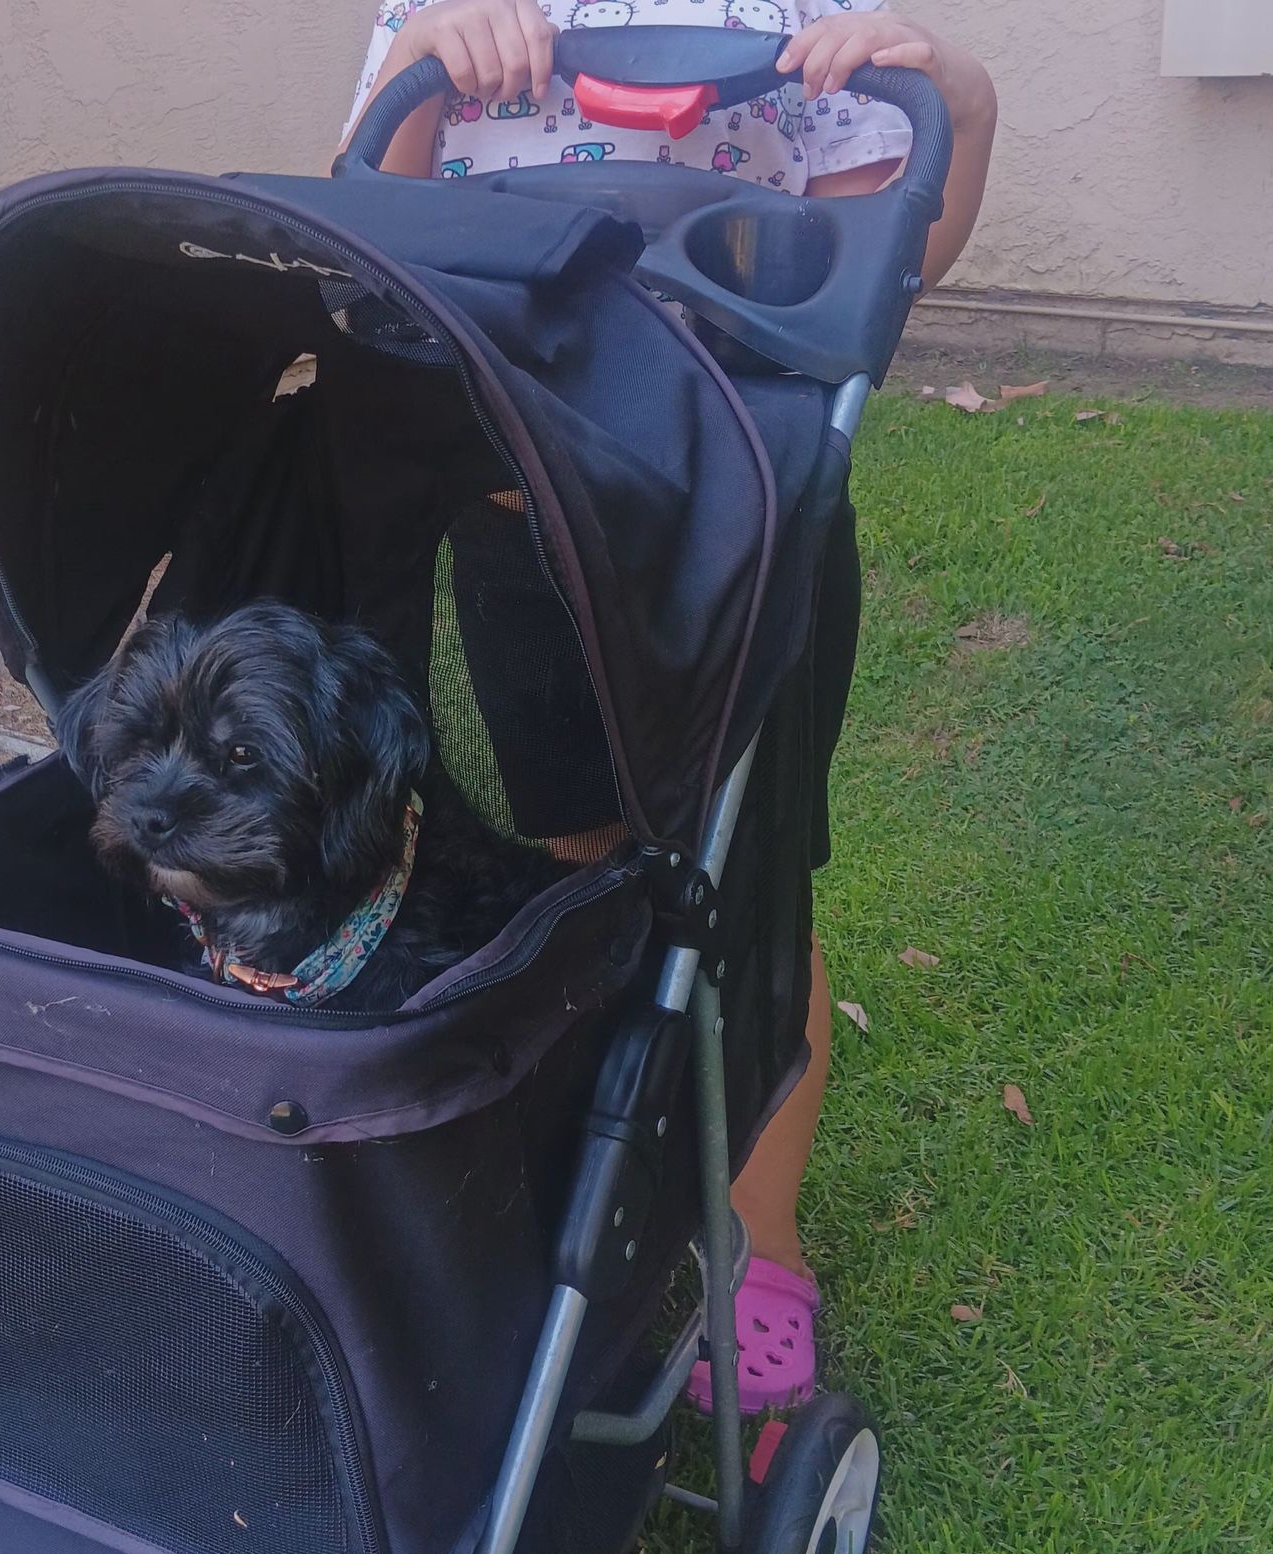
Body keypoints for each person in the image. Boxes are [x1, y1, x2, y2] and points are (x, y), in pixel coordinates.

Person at [339, 1, 997, 1410]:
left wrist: (968, 109)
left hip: (748, 523)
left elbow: (888, 260)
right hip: (524, 521)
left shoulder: (800, 20)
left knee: (752, 894)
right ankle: (590, 1180)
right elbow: (371, 237)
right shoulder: (449, 12)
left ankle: (759, 1248)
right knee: (577, 877)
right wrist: (422, 76)